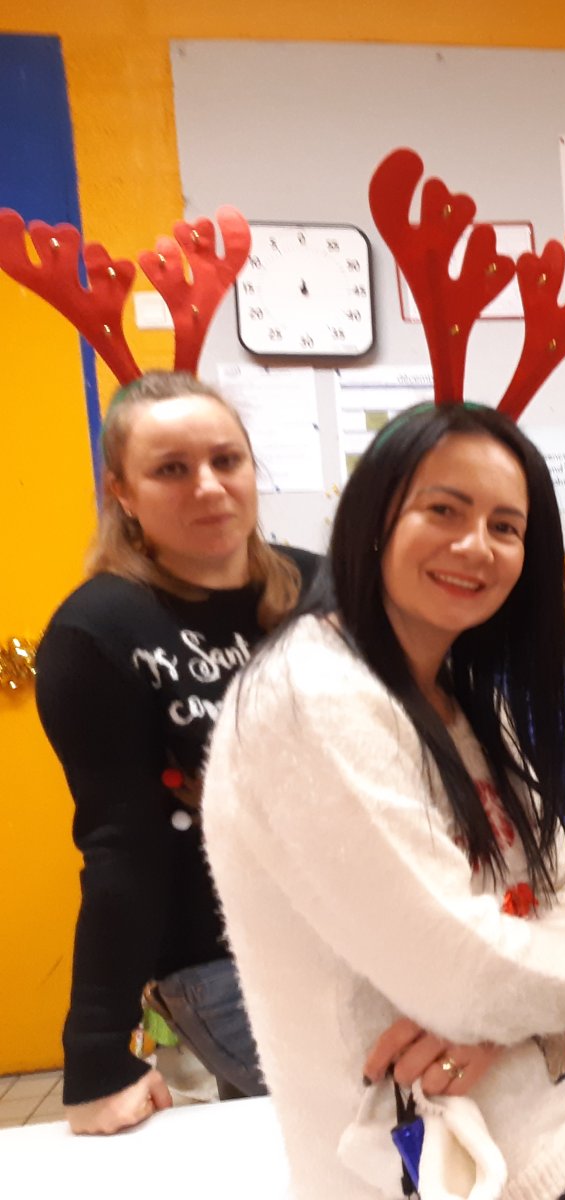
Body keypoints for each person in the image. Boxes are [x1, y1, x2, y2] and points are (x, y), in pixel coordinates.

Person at [200, 403, 565, 1200]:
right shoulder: (314, 699)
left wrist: (510, 1004)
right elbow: (467, 972)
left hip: (543, 1081)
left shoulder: (454, 686)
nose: (477, 546)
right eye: (444, 510)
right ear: (374, 518)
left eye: (506, 527)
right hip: (431, 1150)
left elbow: (560, 871)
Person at [34, 371, 314, 1135]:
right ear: (122, 492)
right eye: (171, 469)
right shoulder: (98, 633)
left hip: (355, 930)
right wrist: (97, 1055)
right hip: (223, 960)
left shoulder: (319, 588)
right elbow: (122, 846)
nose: (209, 486)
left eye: (227, 460)